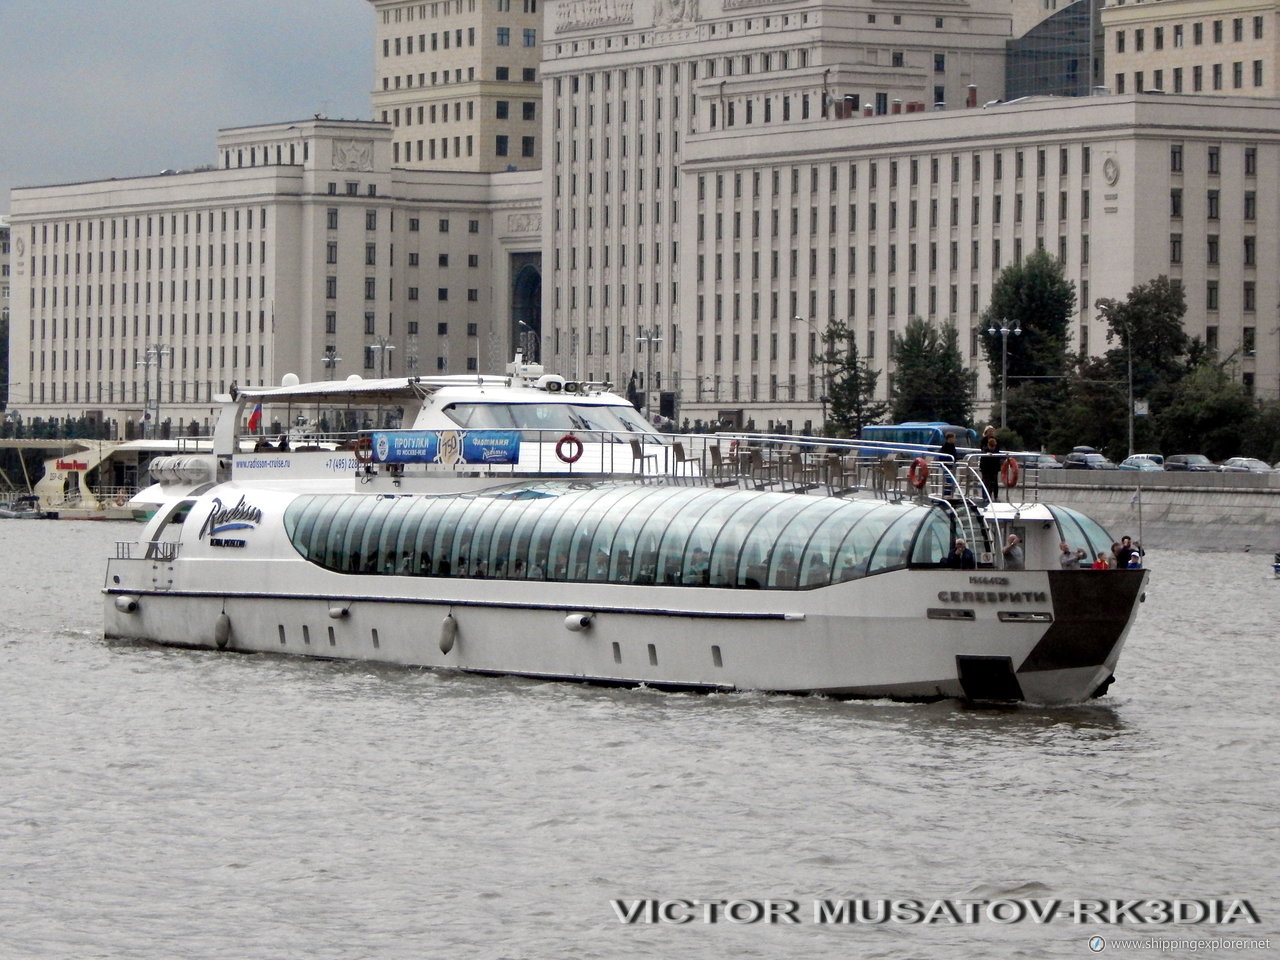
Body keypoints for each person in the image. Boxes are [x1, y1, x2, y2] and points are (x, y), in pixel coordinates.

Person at [978, 433, 1002, 501]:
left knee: (995, 484)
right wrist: (986, 454)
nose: (992, 448)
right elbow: (982, 456)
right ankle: (987, 497)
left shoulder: (996, 451)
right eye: (991, 446)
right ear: (988, 445)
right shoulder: (985, 451)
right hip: (986, 470)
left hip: (994, 470)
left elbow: (999, 457)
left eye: (994, 446)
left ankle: (995, 497)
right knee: (986, 483)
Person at [938, 431, 959, 496]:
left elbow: (954, 455)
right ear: (950, 438)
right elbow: (941, 456)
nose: (955, 439)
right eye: (954, 438)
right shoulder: (945, 447)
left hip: (951, 466)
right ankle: (947, 494)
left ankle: (948, 494)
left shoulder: (952, 446)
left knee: (949, 481)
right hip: (946, 466)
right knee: (950, 480)